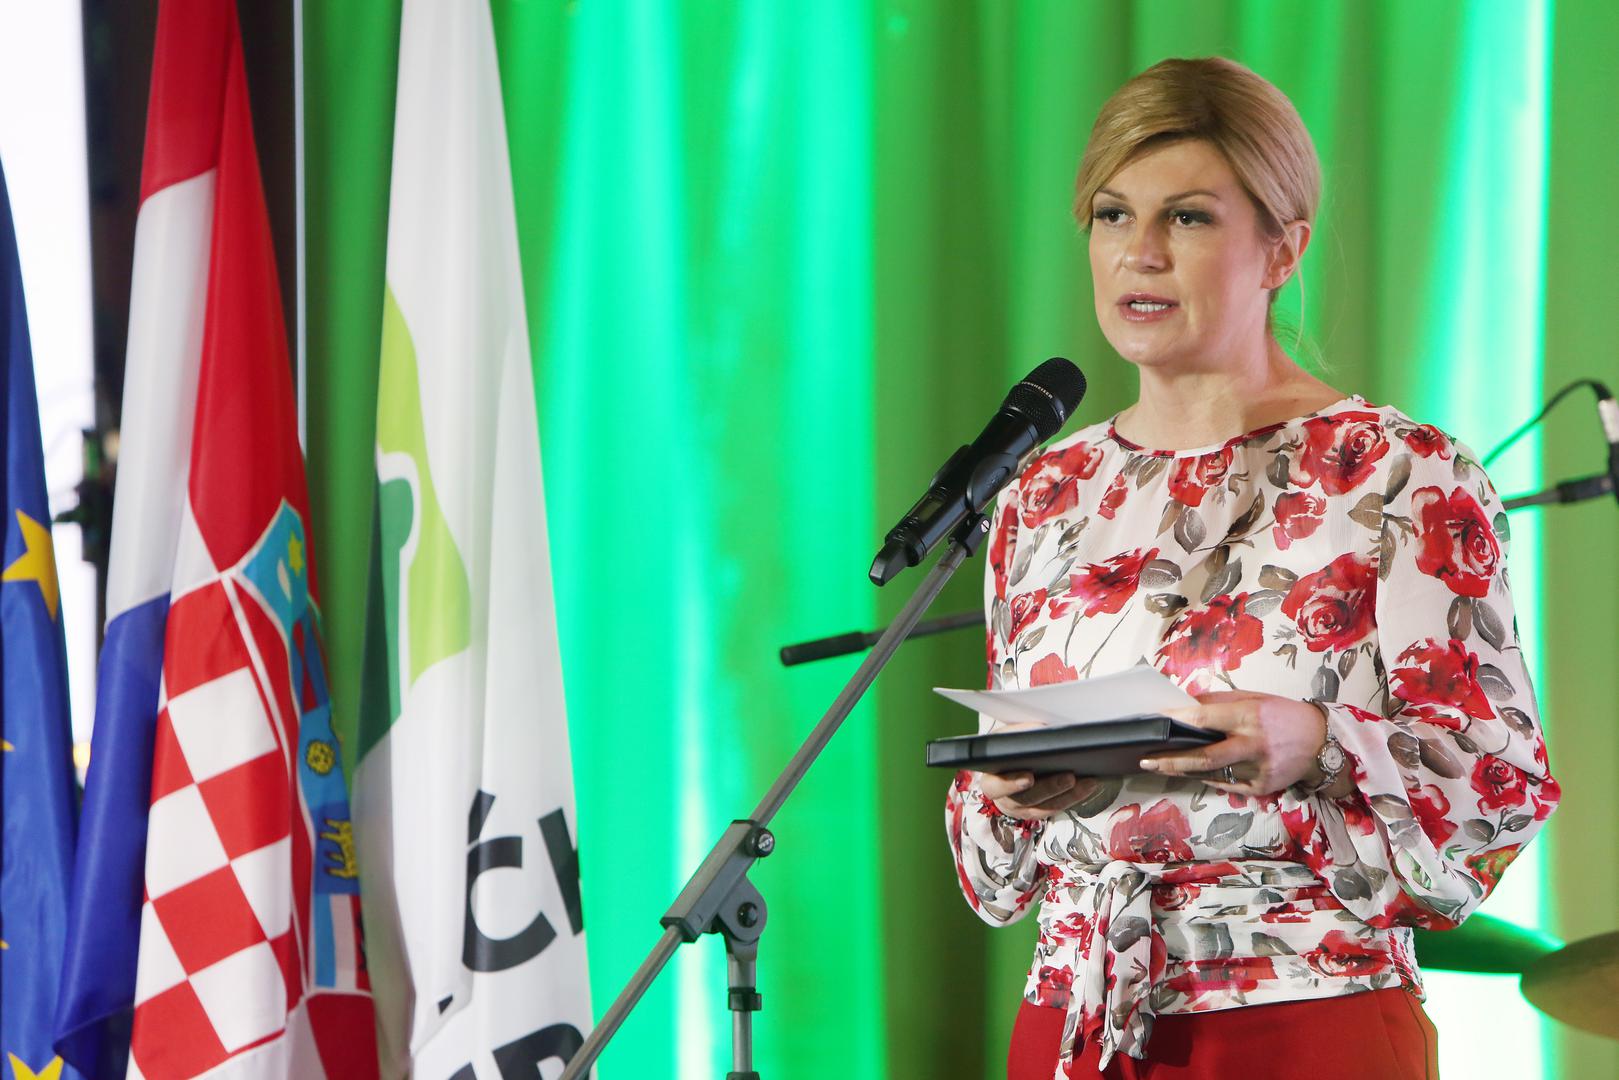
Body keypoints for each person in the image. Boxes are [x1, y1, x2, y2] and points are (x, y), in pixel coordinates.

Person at [945, 56, 1559, 1080]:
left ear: (1282, 249)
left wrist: (1317, 741)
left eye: (1186, 217)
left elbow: (1495, 790)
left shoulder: (1400, 473)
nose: (1138, 252)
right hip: (1071, 1021)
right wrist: (1007, 788)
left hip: (1302, 1020)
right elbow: (994, 875)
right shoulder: (1044, 489)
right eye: (1110, 214)